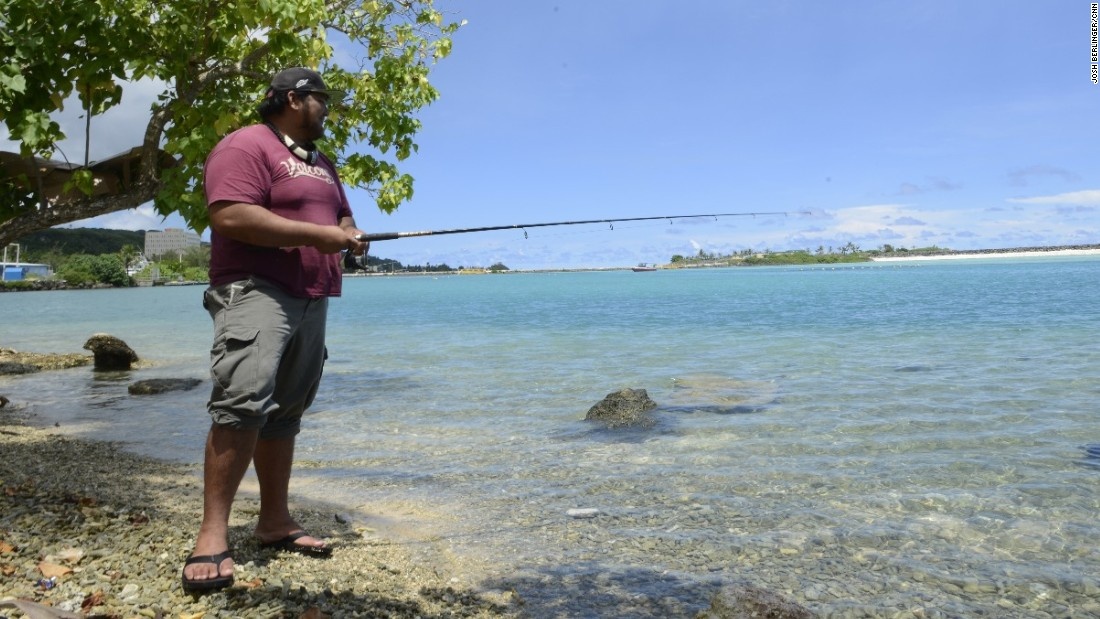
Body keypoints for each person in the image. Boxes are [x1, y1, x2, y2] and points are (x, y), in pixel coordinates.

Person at [182, 67, 368, 592]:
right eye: (322, 100)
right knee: (241, 403)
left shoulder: (323, 164)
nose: (327, 109)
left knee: (286, 412)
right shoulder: (246, 145)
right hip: (256, 289)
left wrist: (350, 237)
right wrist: (318, 234)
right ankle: (211, 535)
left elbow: (342, 222)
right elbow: (230, 215)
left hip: (313, 297)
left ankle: (275, 521)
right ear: (294, 98)